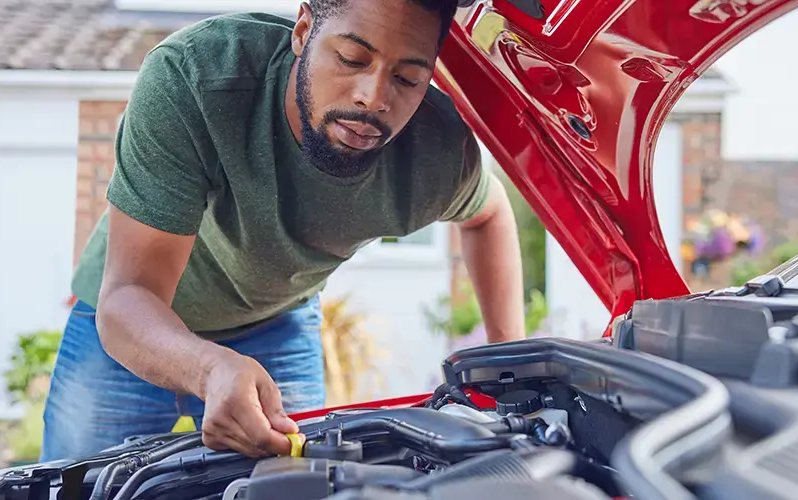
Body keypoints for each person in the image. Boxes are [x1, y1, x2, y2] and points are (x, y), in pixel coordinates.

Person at [40, 0, 525, 462]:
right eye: (353, 58)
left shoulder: (435, 153)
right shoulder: (194, 80)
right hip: (138, 322)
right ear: (302, 31)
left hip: (277, 324)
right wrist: (209, 368)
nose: (373, 97)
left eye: (408, 78)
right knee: (80, 484)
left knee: (293, 481)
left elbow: (487, 214)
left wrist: (509, 375)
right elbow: (128, 294)